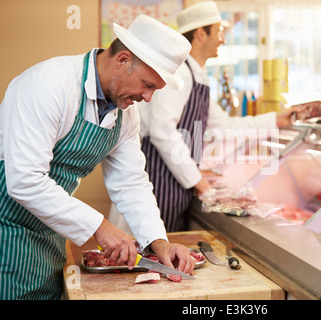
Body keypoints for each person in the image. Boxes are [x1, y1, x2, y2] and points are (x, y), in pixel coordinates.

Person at [0, 15, 195, 300]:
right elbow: (24, 181)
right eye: (147, 84)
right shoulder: (47, 84)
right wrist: (99, 227)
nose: (148, 97)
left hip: (49, 231)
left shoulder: (125, 112)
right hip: (6, 229)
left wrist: (158, 242)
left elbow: (130, 183)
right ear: (123, 59)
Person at [108, 1, 300, 233]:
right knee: (146, 254)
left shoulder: (198, 76)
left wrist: (276, 120)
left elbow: (225, 125)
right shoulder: (179, 73)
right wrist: (197, 180)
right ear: (200, 33)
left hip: (174, 184)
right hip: (156, 180)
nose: (223, 38)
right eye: (218, 31)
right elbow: (162, 131)